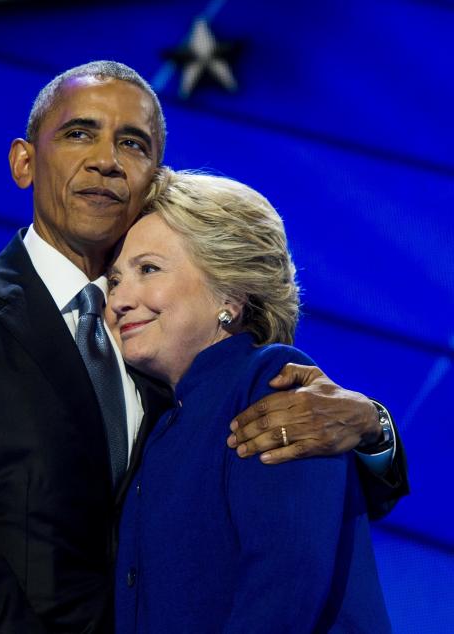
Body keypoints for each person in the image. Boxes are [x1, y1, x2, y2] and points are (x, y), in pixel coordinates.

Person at [0, 61, 407, 633]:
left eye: (132, 142)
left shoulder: (176, 348)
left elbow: (299, 513)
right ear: (24, 162)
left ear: (153, 176)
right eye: (79, 133)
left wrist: (374, 428)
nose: (106, 159)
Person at [109, 169, 391, 632]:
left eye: (148, 269)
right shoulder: (166, 417)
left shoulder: (271, 382)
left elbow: (284, 582)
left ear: (231, 295)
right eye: (115, 279)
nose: (120, 298)